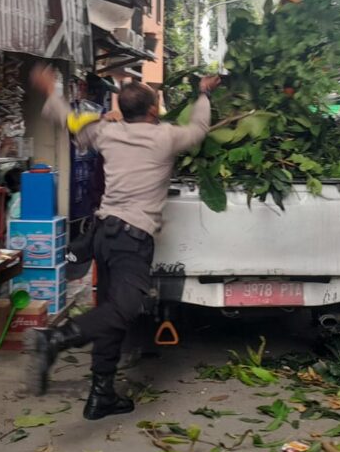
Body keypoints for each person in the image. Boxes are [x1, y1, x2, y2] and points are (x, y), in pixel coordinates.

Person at [24, 67, 220, 419]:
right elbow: (200, 130)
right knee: (126, 308)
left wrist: (50, 92)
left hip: (104, 236)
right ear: (152, 110)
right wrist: (203, 94)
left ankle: (102, 393)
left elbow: (69, 121)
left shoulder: (106, 132)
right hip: (132, 238)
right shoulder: (166, 137)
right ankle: (57, 339)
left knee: (112, 312)